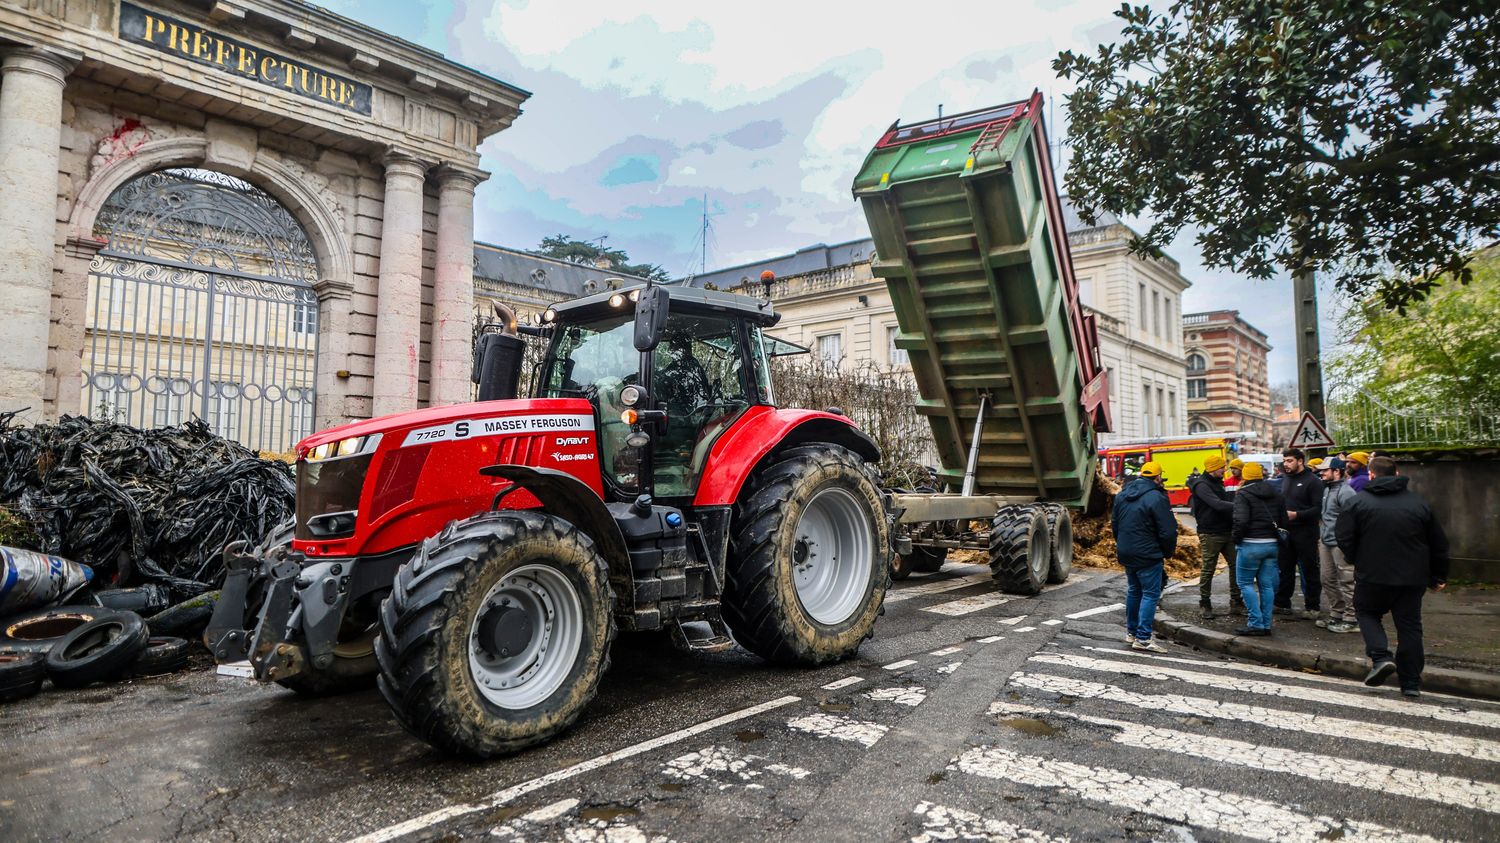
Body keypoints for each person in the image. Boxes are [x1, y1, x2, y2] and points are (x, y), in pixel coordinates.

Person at [1336, 456, 1450, 698]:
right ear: (1397, 475)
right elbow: (1437, 543)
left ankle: (1380, 657)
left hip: (1372, 575)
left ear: (1371, 475)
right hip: (1412, 577)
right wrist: (1438, 574)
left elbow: (1344, 537)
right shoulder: (1419, 504)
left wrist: (1358, 559)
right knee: (1409, 626)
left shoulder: (1359, 503)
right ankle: (1410, 683)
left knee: (1367, 612)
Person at [1111, 461, 1177, 652]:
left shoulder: (1122, 495)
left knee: (1134, 590)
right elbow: (1168, 531)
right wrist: (1167, 552)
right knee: (1150, 594)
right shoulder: (1157, 498)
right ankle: (1143, 638)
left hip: (1127, 551)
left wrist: (1123, 544)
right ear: (1157, 478)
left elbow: (1115, 524)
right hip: (1148, 553)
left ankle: (1131, 633)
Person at [1231, 461, 1286, 636]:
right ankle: (1266, 623)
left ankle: (1255, 623)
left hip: (1250, 544)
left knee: (1245, 583)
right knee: (1266, 585)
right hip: (1271, 544)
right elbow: (1284, 519)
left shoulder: (1243, 494)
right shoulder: (1276, 493)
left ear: (1245, 476)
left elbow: (1241, 521)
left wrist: (1236, 540)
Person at [1189, 453, 1242, 618]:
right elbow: (1216, 504)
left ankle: (1236, 602)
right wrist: (1240, 506)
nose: (1224, 470)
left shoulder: (1218, 482)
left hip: (1227, 530)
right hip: (1210, 532)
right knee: (1209, 568)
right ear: (1212, 468)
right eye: (1221, 467)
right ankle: (1205, 603)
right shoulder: (1201, 485)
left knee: (1236, 566)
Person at [1273, 448, 1323, 619]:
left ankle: (1312, 607)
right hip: (1287, 533)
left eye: (1289, 461)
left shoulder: (1313, 481)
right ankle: (1282, 603)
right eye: (1285, 461)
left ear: (1300, 461)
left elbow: (1318, 509)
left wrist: (1297, 515)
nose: (1286, 464)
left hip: (1306, 532)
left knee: (1309, 570)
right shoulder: (1286, 479)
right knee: (1284, 568)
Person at [1316, 458, 1358, 633]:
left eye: (1325, 470)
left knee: (1347, 580)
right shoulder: (1328, 489)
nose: (1321, 473)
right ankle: (1337, 612)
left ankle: (1352, 618)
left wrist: (1347, 543)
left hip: (1340, 543)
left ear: (1337, 471)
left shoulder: (1346, 492)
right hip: (1326, 541)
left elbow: (1354, 520)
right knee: (1327, 579)